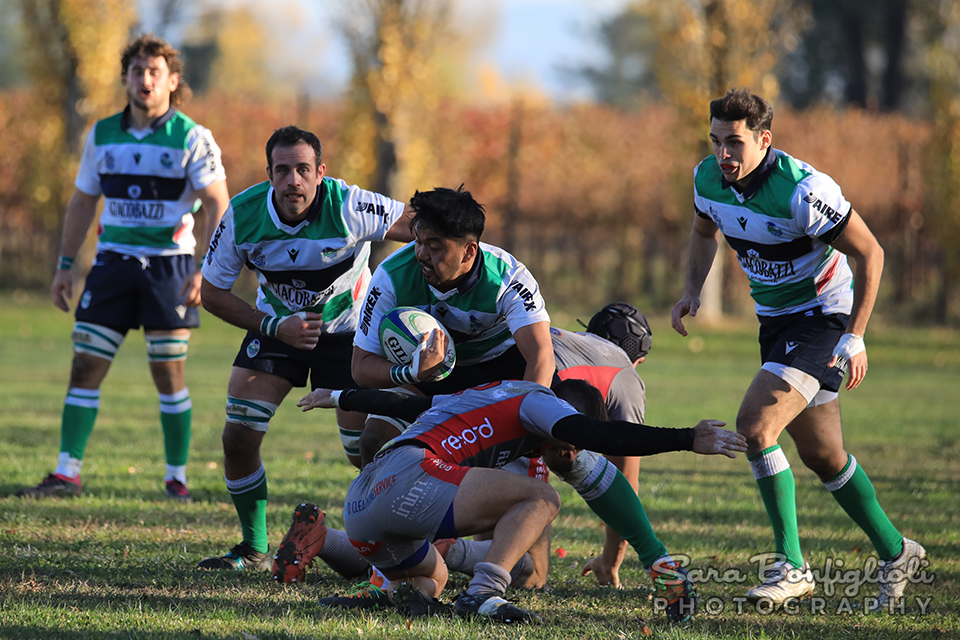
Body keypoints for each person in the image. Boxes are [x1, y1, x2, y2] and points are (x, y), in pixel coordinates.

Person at [670, 88, 926, 611]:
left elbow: (871, 252)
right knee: (823, 456)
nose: (724, 155)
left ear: (765, 139)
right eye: (716, 141)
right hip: (776, 324)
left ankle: (792, 566)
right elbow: (703, 232)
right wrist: (693, 288)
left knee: (756, 426)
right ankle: (898, 552)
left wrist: (854, 334)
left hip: (823, 319)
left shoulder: (803, 191)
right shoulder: (706, 179)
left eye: (736, 143)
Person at [296, 373, 746, 623]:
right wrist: (688, 438)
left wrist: (337, 394)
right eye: (567, 446)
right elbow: (589, 432)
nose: (570, 456)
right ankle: (483, 595)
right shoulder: (538, 401)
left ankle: (385, 590)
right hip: (410, 476)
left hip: (363, 506)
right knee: (543, 498)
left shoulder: (481, 397)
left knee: (431, 581)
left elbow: (406, 404)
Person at [16, 34, 230, 502]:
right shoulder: (102, 134)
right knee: (85, 365)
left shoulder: (193, 137)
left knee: (168, 373)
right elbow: (82, 203)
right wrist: (65, 266)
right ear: (126, 80)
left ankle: (177, 478)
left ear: (173, 81)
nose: (145, 79)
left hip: (170, 270)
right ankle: (66, 472)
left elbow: (217, 204)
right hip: (112, 266)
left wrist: (206, 269)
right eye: (137, 71)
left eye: (155, 72)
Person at [196, 125, 414, 571]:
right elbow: (211, 292)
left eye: (302, 169)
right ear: (269, 174)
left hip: (352, 335)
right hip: (278, 330)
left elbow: (421, 230)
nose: (293, 180)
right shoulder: (243, 214)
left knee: (367, 451)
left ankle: (398, 550)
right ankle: (253, 549)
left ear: (320, 173)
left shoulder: (350, 205)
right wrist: (275, 326)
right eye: (283, 170)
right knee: (237, 436)